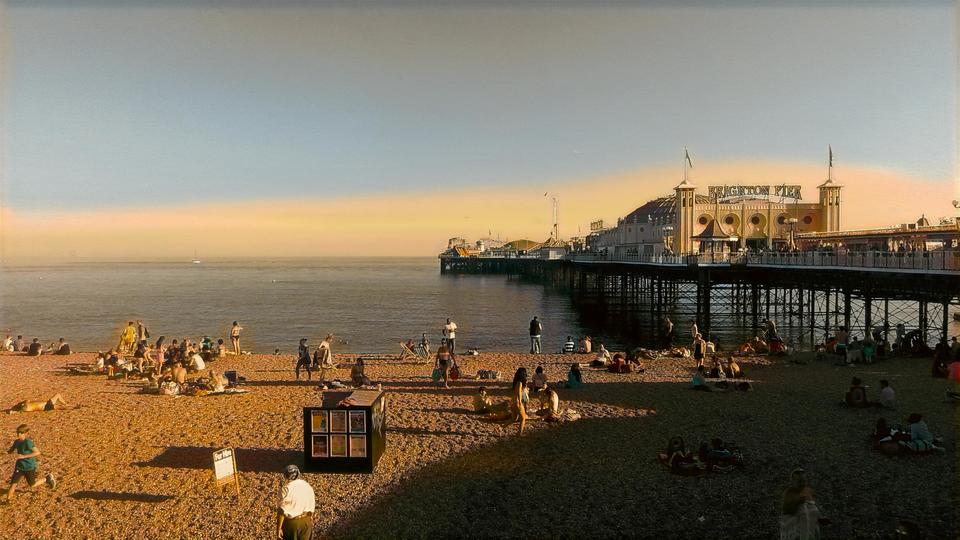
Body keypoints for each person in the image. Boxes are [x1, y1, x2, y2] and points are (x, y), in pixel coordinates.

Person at [6, 425, 56, 503]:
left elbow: (37, 452)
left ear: (25, 433)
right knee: (13, 484)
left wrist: (23, 456)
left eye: (21, 433)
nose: (18, 434)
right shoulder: (17, 442)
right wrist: (6, 452)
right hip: (19, 467)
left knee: (32, 484)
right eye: (18, 432)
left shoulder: (28, 442)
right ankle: (7, 501)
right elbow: (10, 451)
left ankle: (47, 479)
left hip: (29, 466)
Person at [780, 468, 824, 540]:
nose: (802, 484)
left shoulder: (808, 490)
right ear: (793, 481)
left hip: (809, 525)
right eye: (799, 482)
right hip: (795, 524)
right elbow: (786, 510)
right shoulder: (789, 492)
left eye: (804, 481)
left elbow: (814, 504)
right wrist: (797, 502)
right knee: (803, 510)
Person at [276, 464, 315, 540]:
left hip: (292, 524)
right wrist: (310, 518)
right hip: (306, 522)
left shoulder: (285, 489)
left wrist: (278, 529)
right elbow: (312, 503)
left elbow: (282, 511)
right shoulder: (306, 485)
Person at [7, 394, 71, 413]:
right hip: (46, 406)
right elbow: (27, 400)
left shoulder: (27, 408)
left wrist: (14, 410)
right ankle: (70, 407)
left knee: (58, 395)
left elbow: (20, 408)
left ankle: (67, 405)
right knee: (60, 407)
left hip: (46, 404)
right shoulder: (27, 406)